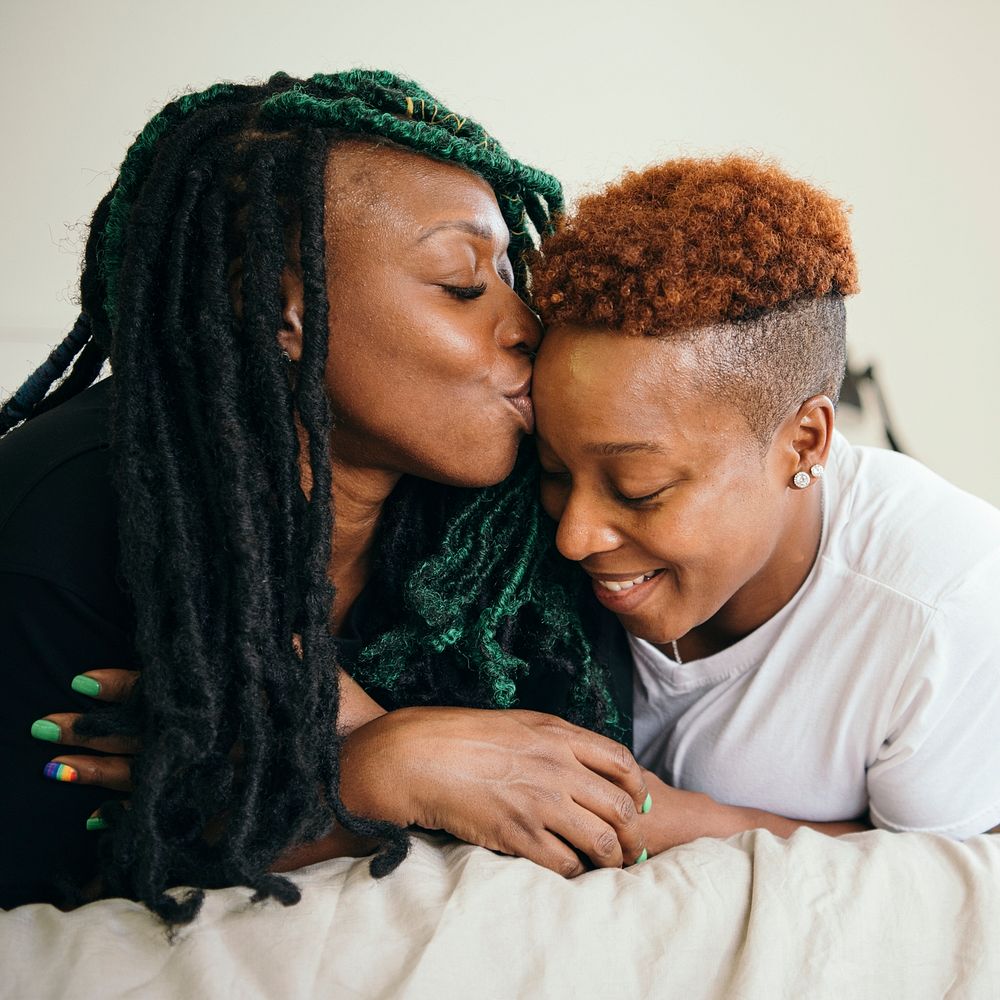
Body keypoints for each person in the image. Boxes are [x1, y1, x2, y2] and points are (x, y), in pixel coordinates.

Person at [0, 70, 650, 920]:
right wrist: (378, 774)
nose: (526, 322)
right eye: (462, 285)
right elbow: (43, 891)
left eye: (509, 275)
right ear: (277, 309)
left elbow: (592, 806)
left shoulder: (514, 521)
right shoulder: (68, 516)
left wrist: (276, 796)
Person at [529, 155, 1000, 854]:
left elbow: (951, 882)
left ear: (804, 442)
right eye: (555, 472)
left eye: (640, 490)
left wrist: (700, 826)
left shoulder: (945, 606)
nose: (574, 536)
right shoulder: (497, 545)